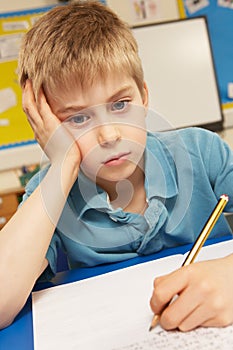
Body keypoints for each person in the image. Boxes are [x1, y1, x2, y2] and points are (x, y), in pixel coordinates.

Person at [0, 1, 233, 332]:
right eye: (78, 118)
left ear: (144, 96)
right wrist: (64, 164)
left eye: (120, 104)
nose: (109, 135)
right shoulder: (49, 193)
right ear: (47, 124)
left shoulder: (202, 152)